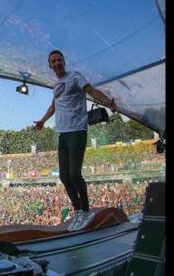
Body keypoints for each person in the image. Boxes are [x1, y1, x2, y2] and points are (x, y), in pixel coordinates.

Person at [34, 50, 117, 231]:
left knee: (74, 173)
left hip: (77, 131)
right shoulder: (56, 86)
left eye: (59, 60)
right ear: (50, 66)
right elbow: (53, 106)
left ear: (64, 62)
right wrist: (42, 121)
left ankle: (86, 210)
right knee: (64, 176)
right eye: (53, 61)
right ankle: (78, 211)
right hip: (62, 134)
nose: (56, 63)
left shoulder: (75, 77)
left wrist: (108, 101)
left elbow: (91, 91)